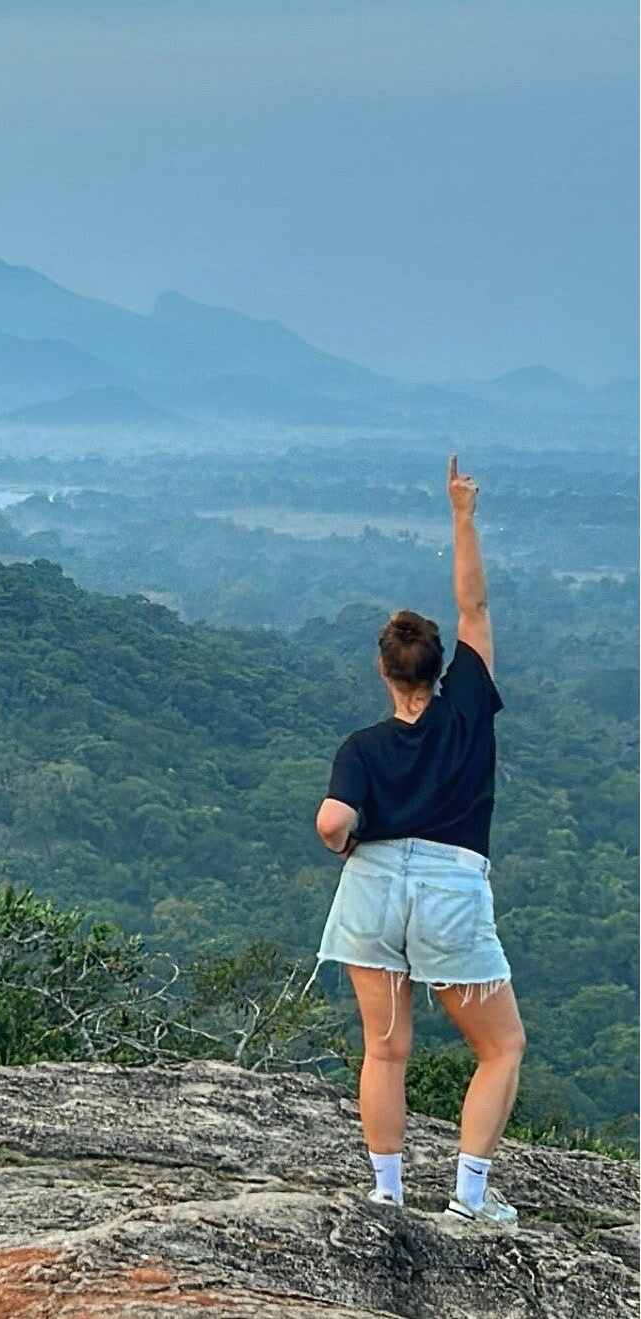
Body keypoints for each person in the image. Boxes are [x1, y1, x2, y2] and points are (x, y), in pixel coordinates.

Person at [312, 454, 524, 1226]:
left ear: (382, 670)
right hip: (448, 890)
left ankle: (387, 1191)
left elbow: (332, 822)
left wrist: (347, 844)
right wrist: (461, 512)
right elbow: (473, 604)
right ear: (442, 668)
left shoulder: (360, 746)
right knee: (499, 1047)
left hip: (370, 889)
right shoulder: (467, 708)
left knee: (384, 1048)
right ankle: (469, 1195)